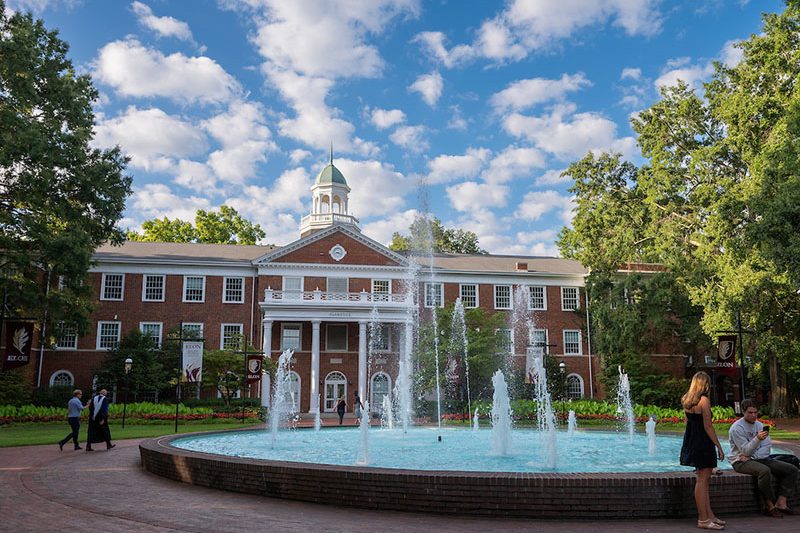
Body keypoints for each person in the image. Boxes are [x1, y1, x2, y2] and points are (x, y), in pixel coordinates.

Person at [728, 399, 798, 518]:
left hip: (758, 458)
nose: (753, 415)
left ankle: (781, 503)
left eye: (755, 412)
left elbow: (766, 448)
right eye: (750, 412)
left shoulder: (760, 425)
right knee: (764, 471)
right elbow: (745, 451)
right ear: (743, 412)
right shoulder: (737, 428)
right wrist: (757, 439)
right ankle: (769, 505)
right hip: (740, 461)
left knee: (792, 469)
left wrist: (753, 456)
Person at [679, 371, 726, 530]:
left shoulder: (686, 399)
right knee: (702, 480)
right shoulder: (704, 401)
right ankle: (703, 520)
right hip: (703, 442)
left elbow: (687, 422)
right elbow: (708, 426)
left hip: (692, 440)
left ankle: (709, 515)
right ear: (705, 384)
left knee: (704, 479)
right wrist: (719, 446)